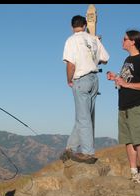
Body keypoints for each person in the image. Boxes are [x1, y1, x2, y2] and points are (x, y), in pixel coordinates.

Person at [106, 30, 140, 185]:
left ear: (133, 41)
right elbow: (126, 81)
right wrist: (116, 78)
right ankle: (134, 172)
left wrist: (126, 84)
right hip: (123, 106)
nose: (122, 41)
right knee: (128, 140)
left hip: (137, 105)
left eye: (124, 39)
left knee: (139, 140)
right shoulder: (128, 59)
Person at [61, 15, 109, 164]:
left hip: (81, 79)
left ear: (72, 27)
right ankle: (70, 148)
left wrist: (69, 79)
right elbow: (105, 58)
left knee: (83, 117)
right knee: (84, 115)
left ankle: (88, 153)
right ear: (85, 25)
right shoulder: (94, 39)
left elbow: (71, 64)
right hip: (95, 79)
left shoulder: (71, 40)